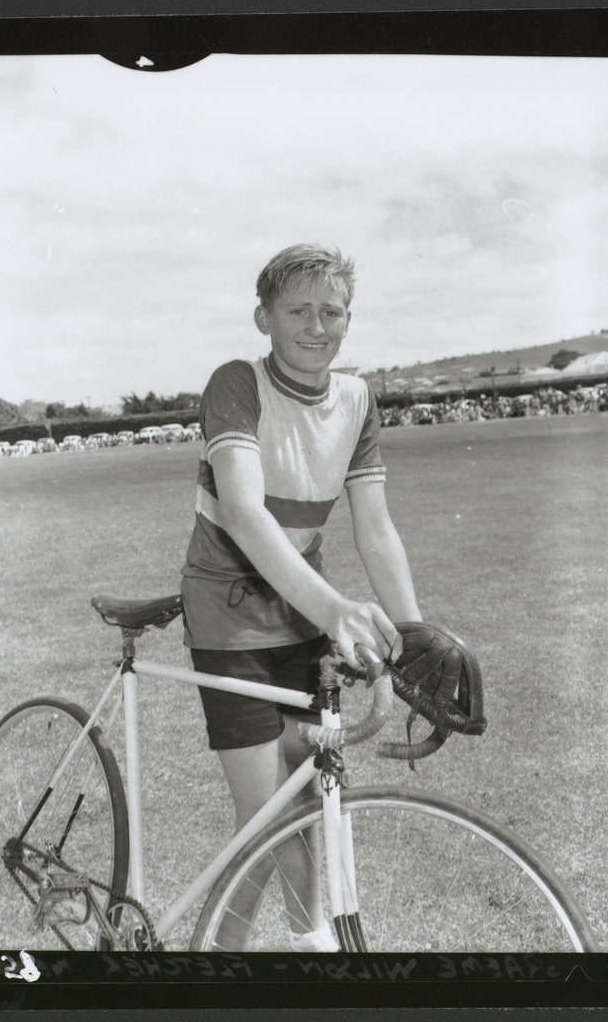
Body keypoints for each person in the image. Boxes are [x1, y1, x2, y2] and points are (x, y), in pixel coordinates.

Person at [180, 244, 422, 950]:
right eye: (298, 310)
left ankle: (309, 945)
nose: (318, 326)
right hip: (230, 615)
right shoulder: (236, 383)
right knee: (264, 824)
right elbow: (247, 515)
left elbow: (374, 528)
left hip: (301, 615)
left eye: (333, 311)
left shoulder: (357, 397)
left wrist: (414, 634)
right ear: (264, 318)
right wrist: (336, 610)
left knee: (307, 805)